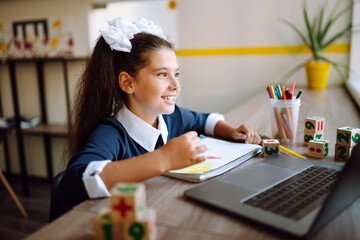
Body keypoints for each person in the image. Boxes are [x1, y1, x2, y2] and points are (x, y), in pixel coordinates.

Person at [61, 18, 261, 208]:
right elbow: (73, 182)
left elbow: (204, 120)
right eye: (162, 74)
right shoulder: (111, 133)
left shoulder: (171, 117)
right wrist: (164, 159)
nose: (175, 85)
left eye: (176, 74)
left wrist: (231, 131)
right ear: (128, 83)